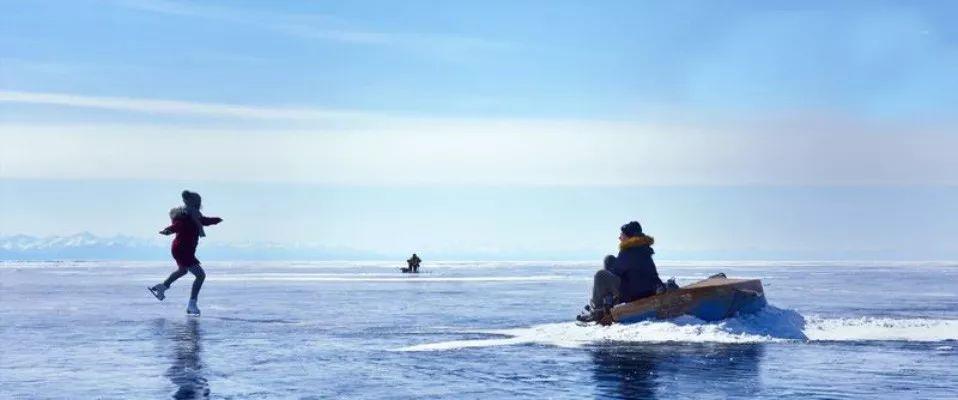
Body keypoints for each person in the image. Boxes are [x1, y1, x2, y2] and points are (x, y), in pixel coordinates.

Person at [149, 191, 223, 315]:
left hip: (182, 249)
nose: (199, 204)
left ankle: (162, 287)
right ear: (194, 203)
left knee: (183, 270)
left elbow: (204, 221)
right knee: (200, 275)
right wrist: (167, 230)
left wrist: (216, 220)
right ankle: (192, 304)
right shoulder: (186, 216)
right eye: (198, 202)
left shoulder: (194, 216)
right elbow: (177, 226)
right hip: (183, 250)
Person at [577, 221, 663, 323]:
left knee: (601, 275)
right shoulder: (643, 250)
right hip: (644, 290)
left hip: (631, 293)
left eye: (622, 235)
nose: (619, 238)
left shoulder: (629, 251)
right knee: (610, 259)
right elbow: (652, 274)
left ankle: (597, 312)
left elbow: (616, 271)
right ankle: (607, 302)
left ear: (629, 236)